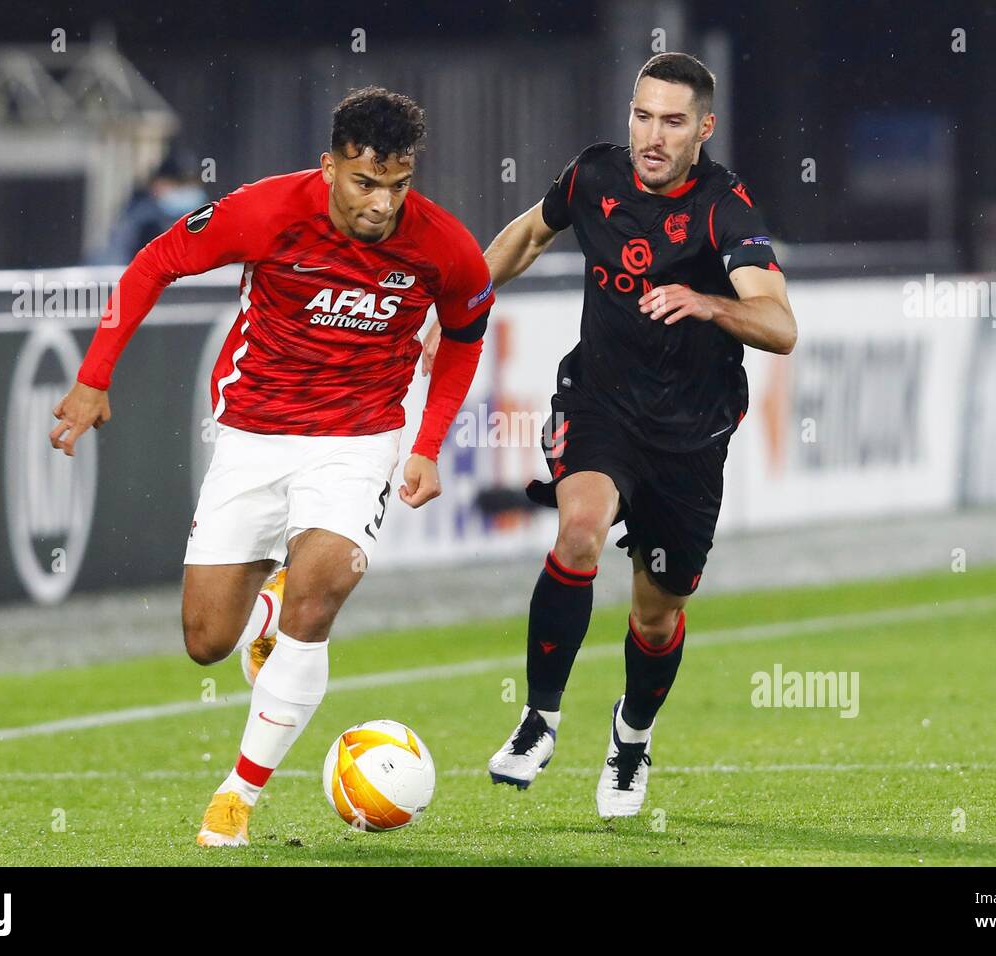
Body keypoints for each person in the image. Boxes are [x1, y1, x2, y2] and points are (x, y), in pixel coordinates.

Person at [50, 87, 494, 846]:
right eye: (365, 183)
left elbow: (465, 335)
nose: (382, 204)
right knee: (205, 642)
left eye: (398, 185)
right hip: (253, 435)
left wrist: (425, 443)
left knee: (318, 602)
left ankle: (238, 795)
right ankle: (263, 609)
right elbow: (155, 262)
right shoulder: (265, 212)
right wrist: (95, 376)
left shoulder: (444, 246)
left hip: (358, 443)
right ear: (329, 167)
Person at [429, 52, 796, 817]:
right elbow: (529, 234)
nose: (652, 138)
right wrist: (462, 309)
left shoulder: (726, 210)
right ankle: (540, 718)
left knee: (655, 614)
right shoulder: (592, 177)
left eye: (671, 122)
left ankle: (631, 737)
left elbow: (780, 325)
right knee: (580, 535)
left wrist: (709, 303)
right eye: (641, 116)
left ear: (704, 129)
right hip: (599, 403)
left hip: (691, 436)